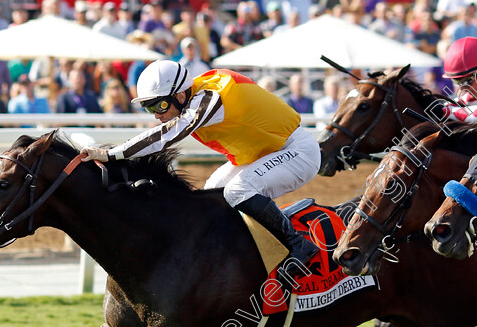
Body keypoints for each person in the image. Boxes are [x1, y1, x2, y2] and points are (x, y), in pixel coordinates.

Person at [80, 60, 321, 275]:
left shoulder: (210, 99)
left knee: (237, 190)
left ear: (181, 96)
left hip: (296, 151)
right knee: (211, 192)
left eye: (159, 106)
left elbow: (165, 136)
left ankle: (297, 244)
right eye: (149, 108)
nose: (156, 115)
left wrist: (110, 154)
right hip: (266, 153)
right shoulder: (194, 96)